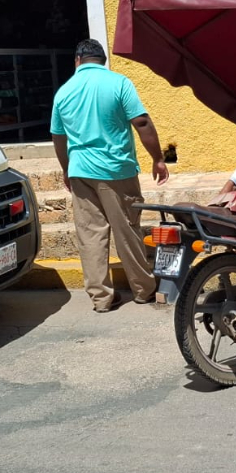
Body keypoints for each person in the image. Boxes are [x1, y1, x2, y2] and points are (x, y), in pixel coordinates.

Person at [50, 39, 168, 312]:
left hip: (80, 171)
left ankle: (101, 298)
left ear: (77, 60)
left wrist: (67, 169)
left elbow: (58, 135)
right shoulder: (119, 83)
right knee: (127, 230)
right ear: (103, 60)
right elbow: (141, 121)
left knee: (90, 236)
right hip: (117, 170)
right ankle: (143, 290)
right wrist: (158, 159)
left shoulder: (64, 91)